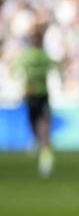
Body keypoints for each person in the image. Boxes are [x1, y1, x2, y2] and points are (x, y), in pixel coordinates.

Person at [15, 23, 59, 178]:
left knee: (39, 130)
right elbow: (58, 69)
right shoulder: (45, 57)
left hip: (31, 97)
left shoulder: (26, 57)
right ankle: (44, 159)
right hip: (42, 96)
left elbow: (15, 72)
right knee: (44, 131)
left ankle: (44, 162)